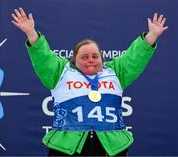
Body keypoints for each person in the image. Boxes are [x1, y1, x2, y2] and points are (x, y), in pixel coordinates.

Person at [11, 7, 168, 156]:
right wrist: (31, 33)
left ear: (101, 58)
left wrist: (152, 35)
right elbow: (43, 57)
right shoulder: (61, 72)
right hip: (67, 148)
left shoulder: (116, 72)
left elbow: (136, 57)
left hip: (111, 147)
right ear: (74, 60)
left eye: (95, 56)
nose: (91, 60)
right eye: (84, 57)